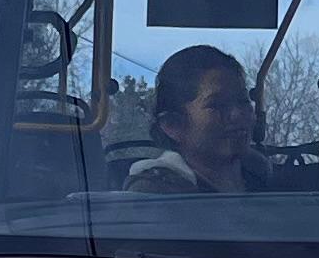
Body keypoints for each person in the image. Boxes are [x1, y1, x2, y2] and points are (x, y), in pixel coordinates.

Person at [126, 44, 300, 194]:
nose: (238, 114)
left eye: (243, 101)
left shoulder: (270, 184)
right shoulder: (153, 196)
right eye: (217, 105)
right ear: (172, 125)